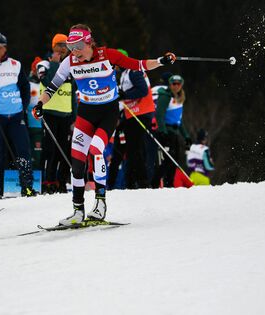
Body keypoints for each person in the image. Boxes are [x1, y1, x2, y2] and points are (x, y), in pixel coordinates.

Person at [33, 23, 176, 225]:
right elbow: (52, 88)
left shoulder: (108, 55)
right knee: (77, 162)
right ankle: (78, 211)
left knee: (96, 149)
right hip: (86, 114)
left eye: (78, 46)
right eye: (71, 47)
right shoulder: (69, 62)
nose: (75, 52)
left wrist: (162, 61)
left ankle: (100, 204)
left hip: (107, 113)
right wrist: (40, 103)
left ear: (89, 42)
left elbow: (139, 65)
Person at [0, 31, 35, 198]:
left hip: (16, 116)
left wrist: (24, 106)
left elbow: (25, 87)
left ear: (5, 48)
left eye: (1, 46)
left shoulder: (15, 65)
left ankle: (27, 187)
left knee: (23, 151)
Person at [36, 34, 75, 194]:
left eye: (65, 45)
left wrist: (74, 115)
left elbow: (72, 91)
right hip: (50, 112)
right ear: (53, 46)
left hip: (66, 114)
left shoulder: (71, 65)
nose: (62, 48)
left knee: (64, 150)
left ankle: (60, 181)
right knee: (49, 150)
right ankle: (48, 181)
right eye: (59, 45)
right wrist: (54, 64)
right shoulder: (44, 64)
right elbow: (47, 82)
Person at [116, 48, 156, 189]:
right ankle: (132, 181)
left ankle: (142, 182)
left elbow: (142, 90)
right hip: (131, 113)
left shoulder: (134, 71)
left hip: (141, 113)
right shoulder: (125, 73)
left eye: (115, 63)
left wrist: (124, 94)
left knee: (135, 148)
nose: (114, 66)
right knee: (132, 148)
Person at [151, 74, 192, 188]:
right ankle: (154, 183)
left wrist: (186, 136)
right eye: (174, 83)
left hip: (174, 133)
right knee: (168, 159)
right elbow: (159, 115)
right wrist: (163, 132)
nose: (176, 86)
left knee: (175, 161)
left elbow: (179, 121)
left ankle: (170, 185)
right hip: (166, 132)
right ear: (170, 84)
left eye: (179, 84)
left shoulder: (180, 98)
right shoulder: (165, 96)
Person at [27, 57, 44, 171]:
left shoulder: (45, 83)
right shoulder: (27, 83)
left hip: (40, 126)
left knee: (38, 155)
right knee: (27, 153)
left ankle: (39, 180)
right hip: (27, 124)